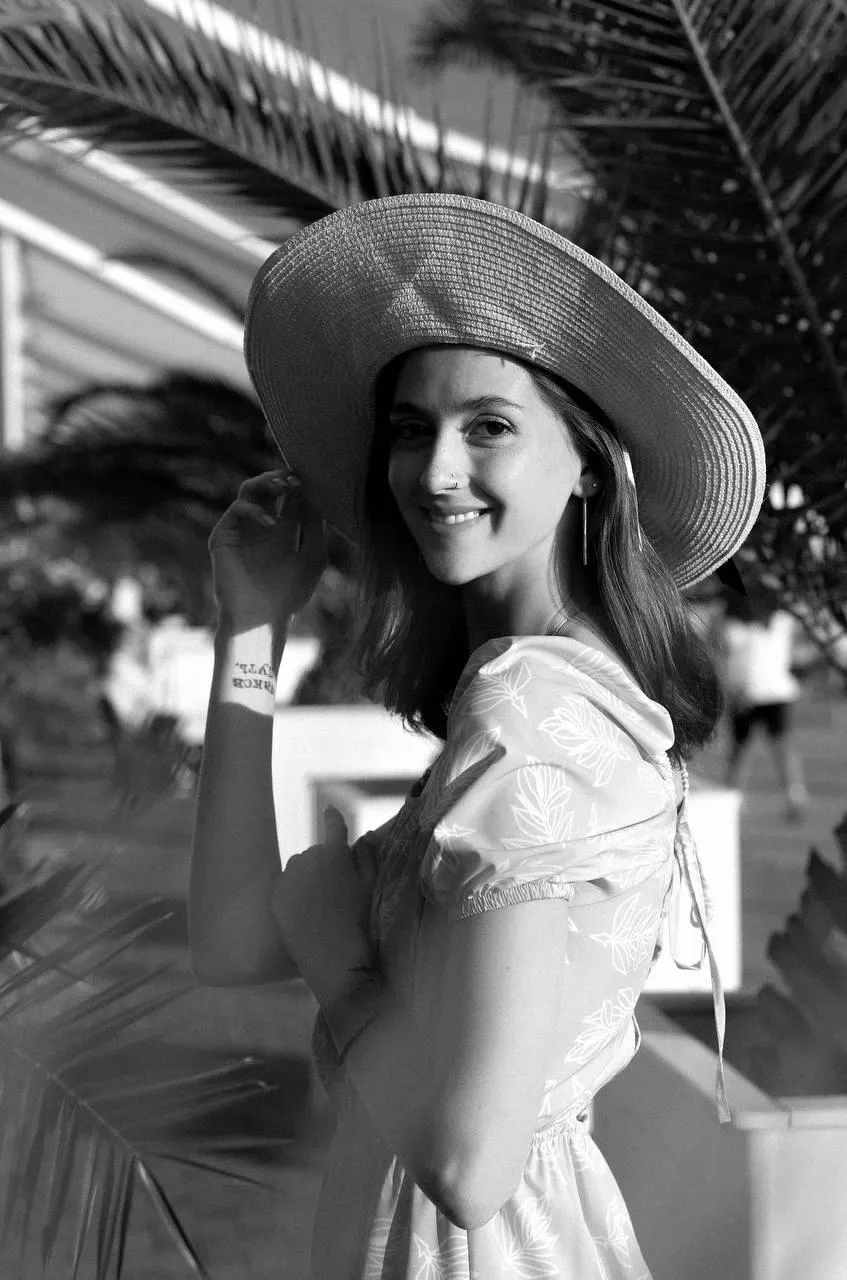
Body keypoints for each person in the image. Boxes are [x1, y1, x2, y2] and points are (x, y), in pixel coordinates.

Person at [189, 194, 766, 1279]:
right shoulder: (546, 694)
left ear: (588, 460)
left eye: (488, 426)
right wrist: (251, 630)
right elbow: (233, 941)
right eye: (411, 429)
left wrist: (340, 964)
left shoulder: (528, 709)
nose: (435, 471)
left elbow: (467, 1162)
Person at [717, 590, 809, 818]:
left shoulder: (782, 620)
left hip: (777, 694)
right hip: (743, 697)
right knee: (739, 752)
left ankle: (795, 797)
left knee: (783, 748)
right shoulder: (733, 624)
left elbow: (804, 636)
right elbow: (722, 657)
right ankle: (734, 801)